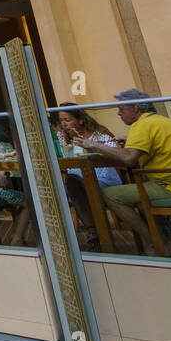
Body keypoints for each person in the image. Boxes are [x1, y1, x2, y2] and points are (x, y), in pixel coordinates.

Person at [78, 90, 171, 257]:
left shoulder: (142, 125)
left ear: (135, 108)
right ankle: (160, 244)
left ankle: (158, 243)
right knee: (141, 197)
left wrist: (95, 146)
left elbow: (129, 158)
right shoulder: (159, 121)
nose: (118, 113)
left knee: (109, 195)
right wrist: (128, 141)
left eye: (121, 109)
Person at [56, 103, 123, 250]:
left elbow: (116, 154)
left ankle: (93, 232)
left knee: (73, 186)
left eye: (67, 119)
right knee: (71, 184)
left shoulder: (99, 134)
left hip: (102, 178)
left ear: (80, 120)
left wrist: (91, 145)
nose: (64, 124)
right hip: (77, 181)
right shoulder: (63, 137)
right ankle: (94, 232)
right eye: (61, 120)